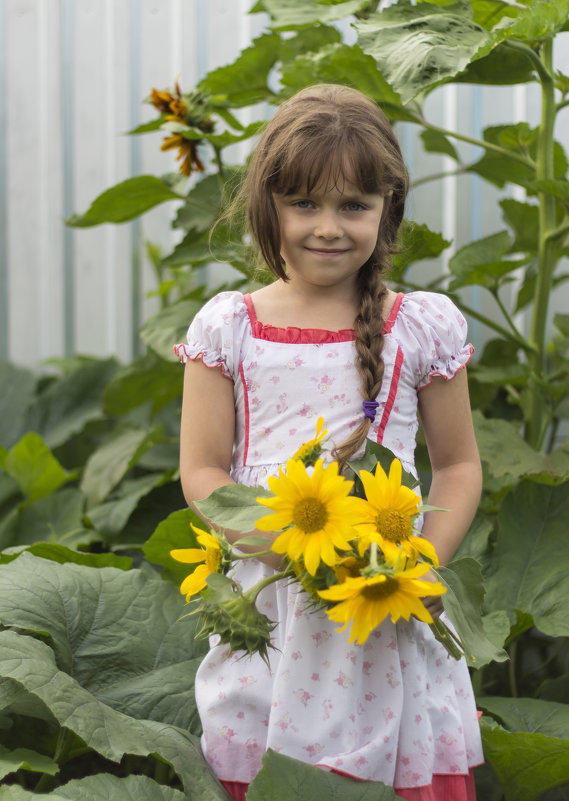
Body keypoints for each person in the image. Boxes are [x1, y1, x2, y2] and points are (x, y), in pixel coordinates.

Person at [176, 83, 483, 801]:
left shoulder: (418, 326)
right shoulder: (231, 327)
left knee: (391, 758)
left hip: (384, 609)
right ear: (267, 206)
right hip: (272, 606)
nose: (327, 226)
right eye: (304, 203)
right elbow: (200, 468)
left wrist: (416, 567)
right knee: (277, 771)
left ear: (387, 209)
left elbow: (460, 464)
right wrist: (268, 541)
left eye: (354, 205)